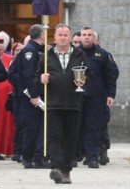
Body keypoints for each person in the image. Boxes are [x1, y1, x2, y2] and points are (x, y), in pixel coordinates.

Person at [37, 24, 89, 184]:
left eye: (66, 35)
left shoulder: (80, 55)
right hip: (53, 103)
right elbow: (36, 77)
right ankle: (57, 168)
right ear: (55, 37)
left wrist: (84, 80)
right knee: (54, 137)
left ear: (70, 37)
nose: (63, 38)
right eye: (60, 35)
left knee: (71, 139)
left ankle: (66, 170)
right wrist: (41, 79)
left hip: (74, 103)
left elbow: (89, 74)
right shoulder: (46, 56)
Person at [80, 27, 117, 168]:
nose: (87, 37)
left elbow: (111, 76)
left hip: (96, 97)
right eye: (84, 35)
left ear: (94, 38)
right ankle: (79, 154)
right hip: (77, 96)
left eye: (89, 35)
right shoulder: (75, 54)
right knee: (78, 127)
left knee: (94, 127)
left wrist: (110, 94)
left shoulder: (102, 55)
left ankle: (93, 157)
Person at [16, 24, 48, 169]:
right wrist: (34, 95)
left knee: (41, 128)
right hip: (32, 97)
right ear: (41, 35)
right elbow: (28, 76)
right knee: (31, 128)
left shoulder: (39, 50)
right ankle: (27, 158)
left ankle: (39, 157)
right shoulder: (30, 51)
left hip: (40, 95)